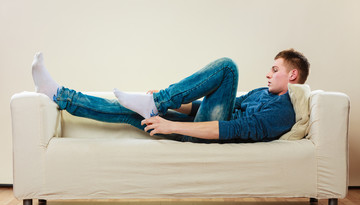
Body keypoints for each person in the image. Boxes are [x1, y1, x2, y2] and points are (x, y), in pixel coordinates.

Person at [31, 49, 310, 143]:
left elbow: (231, 128)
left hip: (210, 136)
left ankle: (158, 102)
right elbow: (217, 107)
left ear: (293, 75)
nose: (268, 74)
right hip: (202, 123)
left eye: (275, 70)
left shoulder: (283, 110)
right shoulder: (262, 92)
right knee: (131, 113)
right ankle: (58, 94)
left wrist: (170, 124)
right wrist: (182, 107)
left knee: (227, 68)